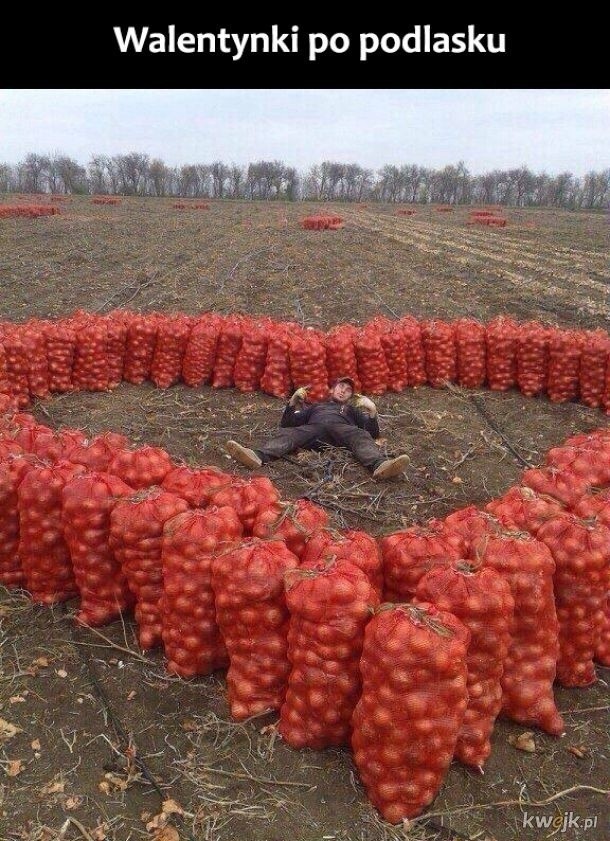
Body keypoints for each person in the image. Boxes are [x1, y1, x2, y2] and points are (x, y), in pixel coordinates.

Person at [225, 376, 410, 480]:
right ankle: (257, 456)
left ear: (351, 396)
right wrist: (293, 401)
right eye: (340, 387)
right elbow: (288, 424)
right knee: (290, 434)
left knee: (360, 434)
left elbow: (372, 434)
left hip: (342, 432)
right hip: (314, 431)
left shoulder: (351, 410)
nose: (343, 390)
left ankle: (380, 466)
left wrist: (373, 411)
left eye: (347, 390)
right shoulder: (316, 406)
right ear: (332, 390)